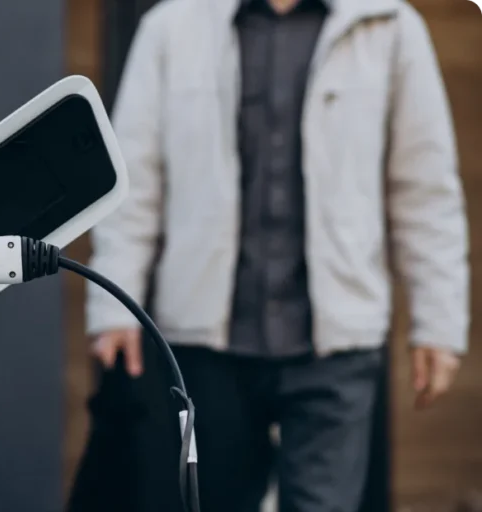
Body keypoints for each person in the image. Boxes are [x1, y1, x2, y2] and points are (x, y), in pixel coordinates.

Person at [84, 0, 469, 510]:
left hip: (336, 347)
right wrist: (115, 304)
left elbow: (424, 188)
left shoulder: (390, 26)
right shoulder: (171, 28)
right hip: (205, 343)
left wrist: (438, 323)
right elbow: (135, 180)